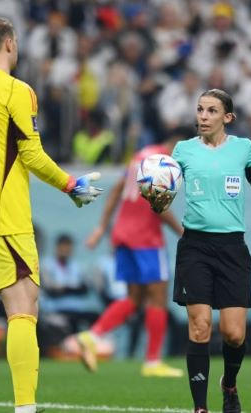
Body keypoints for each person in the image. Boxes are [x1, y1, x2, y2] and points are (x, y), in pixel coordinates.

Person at [0, 16, 102, 413]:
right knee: (23, 308)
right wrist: (71, 185)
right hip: (3, 217)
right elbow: (31, 153)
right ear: (10, 44)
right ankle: (25, 408)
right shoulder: (18, 90)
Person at [149, 89, 251, 413]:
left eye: (211, 111)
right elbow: (163, 198)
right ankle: (200, 407)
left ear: (227, 117)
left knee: (234, 335)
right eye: (200, 110)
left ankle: (230, 384)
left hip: (232, 248)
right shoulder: (183, 151)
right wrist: (154, 195)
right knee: (200, 326)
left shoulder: (243, 149)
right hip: (195, 247)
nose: (203, 116)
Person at [76, 127, 188, 378]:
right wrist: (184, 233)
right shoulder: (162, 162)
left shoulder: (140, 156)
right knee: (157, 298)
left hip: (123, 235)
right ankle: (152, 362)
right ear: (177, 145)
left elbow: (116, 190)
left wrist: (102, 227)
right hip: (146, 238)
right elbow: (158, 205)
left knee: (135, 298)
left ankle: (91, 335)